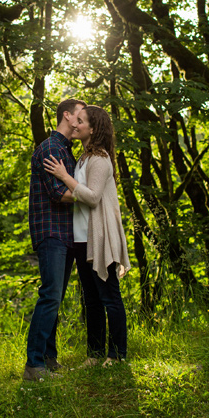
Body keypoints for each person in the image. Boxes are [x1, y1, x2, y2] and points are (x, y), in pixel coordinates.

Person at [44, 105, 131, 366]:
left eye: (80, 122)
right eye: (76, 120)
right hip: (81, 239)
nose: (75, 125)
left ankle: (117, 355)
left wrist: (63, 176)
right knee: (91, 300)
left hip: (99, 238)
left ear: (92, 129)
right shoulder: (82, 158)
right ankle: (94, 355)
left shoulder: (100, 158)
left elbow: (92, 198)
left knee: (110, 298)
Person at [23, 98, 87, 382]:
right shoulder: (51, 148)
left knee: (56, 298)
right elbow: (60, 193)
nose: (82, 123)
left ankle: (49, 360)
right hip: (51, 232)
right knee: (50, 295)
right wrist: (93, 195)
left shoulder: (66, 151)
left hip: (65, 233)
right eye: (80, 117)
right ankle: (34, 366)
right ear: (67, 116)